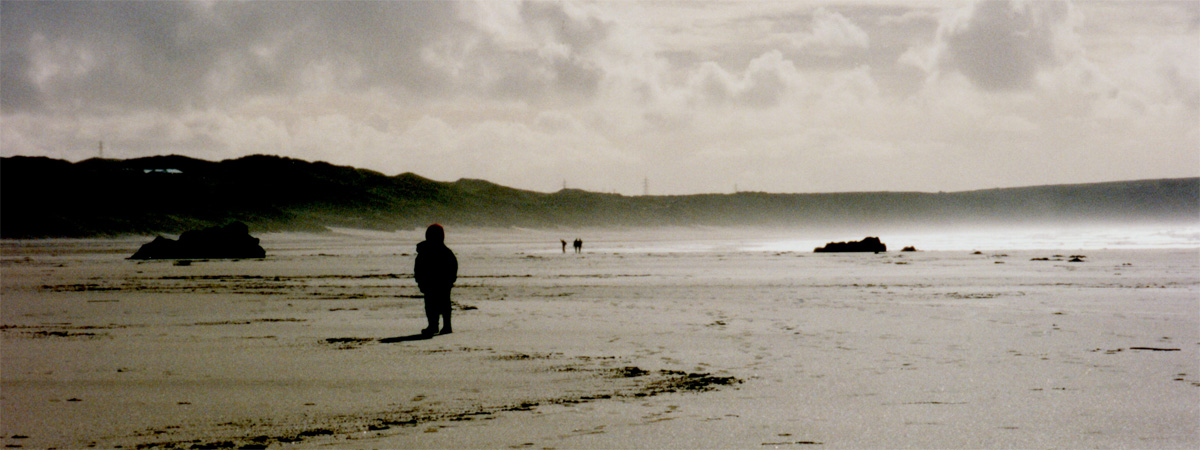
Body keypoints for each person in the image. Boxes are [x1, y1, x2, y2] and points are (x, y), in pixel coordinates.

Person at [414, 224, 458, 335]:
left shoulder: (425, 251)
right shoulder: (445, 251)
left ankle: (436, 326)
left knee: (433, 305)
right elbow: (453, 266)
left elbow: (418, 268)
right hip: (438, 283)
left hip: (436, 282)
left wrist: (419, 281)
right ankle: (442, 326)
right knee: (442, 304)